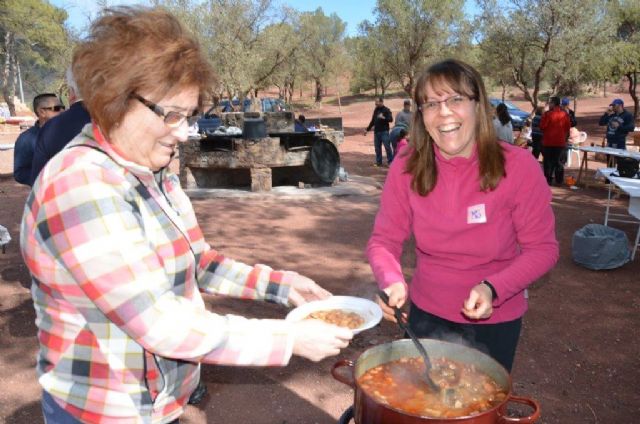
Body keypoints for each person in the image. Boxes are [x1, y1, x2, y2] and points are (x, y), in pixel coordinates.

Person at [21, 7, 352, 424]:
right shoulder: (80, 186)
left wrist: (284, 287)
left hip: (158, 405)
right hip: (104, 412)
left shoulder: (155, 171)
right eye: (172, 115)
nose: (184, 132)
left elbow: (199, 263)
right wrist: (288, 338)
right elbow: (158, 324)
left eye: (189, 115)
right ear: (115, 101)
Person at [366, 59, 559, 373]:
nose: (443, 112)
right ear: (421, 115)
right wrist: (392, 281)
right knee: (418, 407)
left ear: (478, 104)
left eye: (455, 99)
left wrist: (492, 288)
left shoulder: (519, 166)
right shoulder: (406, 165)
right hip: (425, 315)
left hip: (495, 319)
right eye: (431, 104)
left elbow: (543, 249)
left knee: (476, 413)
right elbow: (384, 241)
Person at [29, 66, 92, 186]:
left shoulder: (50, 129)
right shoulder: (123, 120)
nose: (61, 110)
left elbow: (38, 181)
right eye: (57, 108)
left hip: (66, 200)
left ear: (71, 92)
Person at [12, 93, 64, 185]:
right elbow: (20, 173)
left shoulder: (69, 132)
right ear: (41, 112)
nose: (62, 111)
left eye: (63, 107)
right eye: (57, 108)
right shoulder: (26, 139)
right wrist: (46, 179)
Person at [540, 96, 571, 185]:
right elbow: (567, 128)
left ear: (553, 103)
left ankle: (548, 180)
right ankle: (559, 181)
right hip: (560, 142)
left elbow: (542, 127)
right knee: (559, 162)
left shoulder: (547, 114)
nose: (549, 104)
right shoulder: (565, 114)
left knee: (548, 162)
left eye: (550, 103)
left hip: (548, 142)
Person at [364, 97, 393, 166]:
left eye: (377, 102)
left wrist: (384, 118)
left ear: (381, 102)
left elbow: (391, 119)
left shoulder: (386, 110)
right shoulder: (376, 110)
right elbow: (373, 121)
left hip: (384, 132)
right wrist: (367, 129)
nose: (375, 103)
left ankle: (390, 162)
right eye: (375, 102)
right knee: (377, 148)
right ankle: (379, 162)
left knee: (387, 147)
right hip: (376, 132)